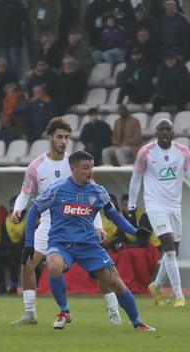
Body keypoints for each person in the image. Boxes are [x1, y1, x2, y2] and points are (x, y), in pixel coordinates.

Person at [22, 150, 155, 331]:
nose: (90, 171)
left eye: (92, 167)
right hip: (62, 245)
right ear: (73, 169)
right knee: (53, 266)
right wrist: (29, 243)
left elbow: (115, 217)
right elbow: (33, 211)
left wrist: (136, 232)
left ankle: (137, 322)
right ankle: (64, 312)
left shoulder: (98, 191)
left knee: (115, 282)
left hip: (89, 246)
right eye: (86, 168)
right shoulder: (57, 189)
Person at [11, 117, 122, 326]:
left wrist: (98, 225)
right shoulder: (36, 166)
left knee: (101, 269)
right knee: (27, 262)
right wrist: (18, 209)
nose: (64, 141)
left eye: (67, 137)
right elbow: (25, 193)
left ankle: (113, 310)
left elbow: (94, 198)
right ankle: (30, 313)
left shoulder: (77, 163)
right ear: (50, 137)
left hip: (80, 223)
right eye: (60, 137)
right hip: (48, 224)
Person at [128, 119, 190, 308]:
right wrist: (132, 207)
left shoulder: (183, 152)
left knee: (174, 250)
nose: (164, 133)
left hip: (174, 206)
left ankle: (156, 287)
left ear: (173, 133)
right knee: (170, 249)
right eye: (161, 130)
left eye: (168, 130)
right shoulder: (146, 152)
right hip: (155, 205)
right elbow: (135, 180)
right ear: (156, 133)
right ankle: (180, 296)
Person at [0, 0, 27, 78]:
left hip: (14, 37)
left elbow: (23, 17)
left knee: (14, 61)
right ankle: (4, 80)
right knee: (3, 62)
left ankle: (13, 79)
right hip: (2, 38)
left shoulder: (18, 4)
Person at [0, 196, 24, 295]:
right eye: (12, 206)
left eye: (16, 206)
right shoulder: (6, 220)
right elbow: (3, 239)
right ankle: (3, 286)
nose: (14, 208)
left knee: (28, 259)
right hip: (11, 250)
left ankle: (37, 285)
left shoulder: (28, 218)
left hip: (25, 249)